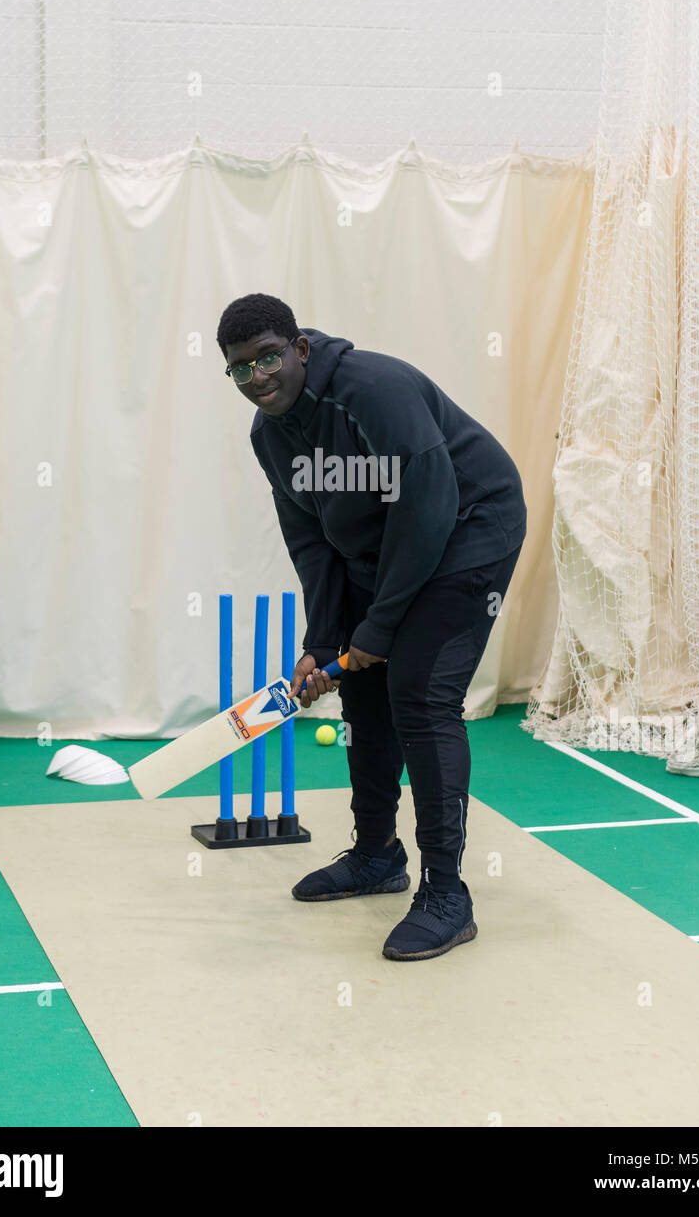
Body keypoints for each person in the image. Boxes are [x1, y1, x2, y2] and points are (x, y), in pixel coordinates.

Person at [216, 293, 526, 961]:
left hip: (468, 527)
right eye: (239, 368)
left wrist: (378, 632)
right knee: (360, 691)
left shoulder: (373, 388)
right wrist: (323, 644)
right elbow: (313, 543)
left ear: (299, 349)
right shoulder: (270, 438)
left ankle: (447, 893)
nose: (257, 377)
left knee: (417, 692)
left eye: (268, 357)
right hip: (384, 547)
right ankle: (376, 856)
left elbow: (428, 505)